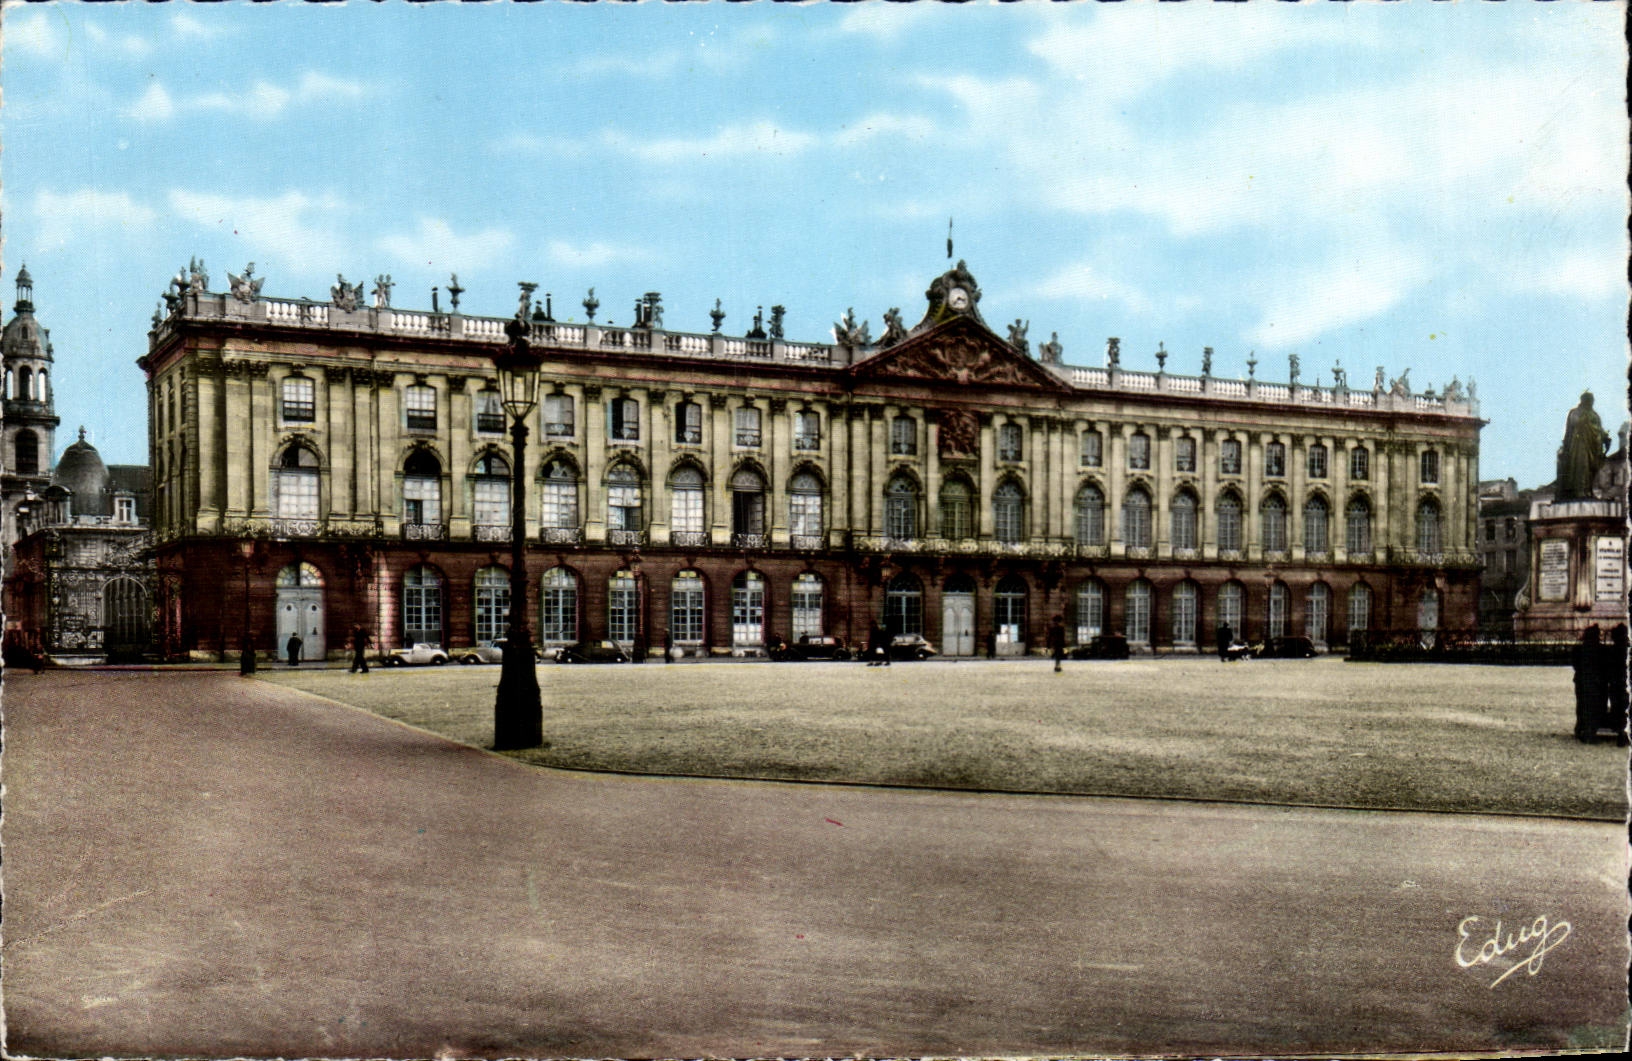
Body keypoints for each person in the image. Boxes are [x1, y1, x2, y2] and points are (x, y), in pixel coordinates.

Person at [1572, 626, 1605, 741]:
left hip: (1582, 680)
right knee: (1594, 705)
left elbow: (1575, 664)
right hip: (1595, 681)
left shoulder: (1578, 649)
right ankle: (1590, 730)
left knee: (1582, 704)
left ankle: (1581, 727)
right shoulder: (1600, 649)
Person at [1603, 624, 1629, 746]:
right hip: (1622, 684)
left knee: (1618, 707)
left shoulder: (1612, 651)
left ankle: (1621, 732)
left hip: (1616, 684)